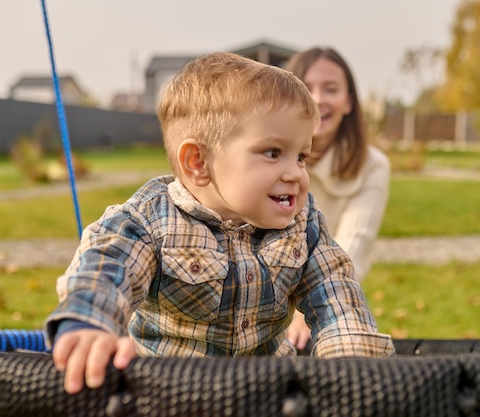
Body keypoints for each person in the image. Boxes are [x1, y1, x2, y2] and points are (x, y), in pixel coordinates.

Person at [43, 51, 395, 394]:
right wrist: (88, 321)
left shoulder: (302, 225)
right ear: (197, 162)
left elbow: (335, 291)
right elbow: (108, 266)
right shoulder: (152, 220)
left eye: (301, 155)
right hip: (165, 395)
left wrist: (351, 362)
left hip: (267, 394)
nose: (296, 173)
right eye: (273, 153)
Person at [284, 47, 391, 351]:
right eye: (306, 88)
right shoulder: (267, 157)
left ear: (349, 101)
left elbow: (353, 245)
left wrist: (311, 310)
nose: (318, 99)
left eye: (331, 89)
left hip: (331, 298)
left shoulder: (372, 165)